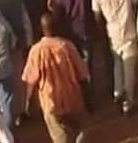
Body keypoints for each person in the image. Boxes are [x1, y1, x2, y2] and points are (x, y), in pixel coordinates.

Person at [22, 13, 88, 143]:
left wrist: (28, 102)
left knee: (59, 137)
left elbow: (30, 80)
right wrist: (87, 97)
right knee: (81, 129)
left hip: (50, 102)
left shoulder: (36, 51)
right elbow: (82, 74)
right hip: (72, 97)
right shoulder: (67, 46)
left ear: (42, 29)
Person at [91, 0, 138, 113]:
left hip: (112, 32)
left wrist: (103, 33)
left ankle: (118, 93)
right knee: (129, 66)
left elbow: (97, 17)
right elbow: (134, 7)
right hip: (128, 29)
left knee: (117, 63)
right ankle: (128, 101)